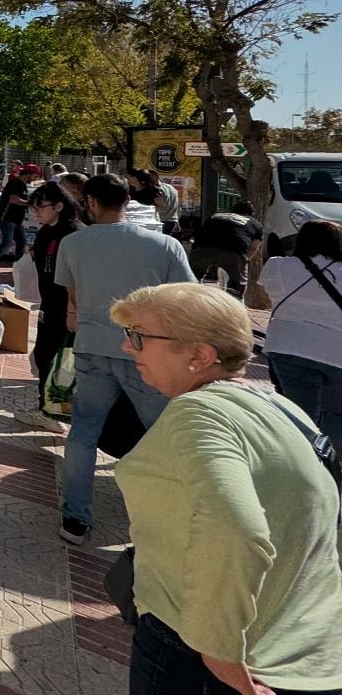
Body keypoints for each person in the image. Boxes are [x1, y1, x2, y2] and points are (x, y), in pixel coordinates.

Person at [110, 283, 342, 695]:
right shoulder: (280, 406)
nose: (129, 348)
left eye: (139, 336)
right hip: (307, 648)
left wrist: (217, 649)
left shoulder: (197, 414)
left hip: (206, 654)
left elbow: (236, 529)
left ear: (199, 355)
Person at [54, 174, 196, 545]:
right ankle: (173, 511)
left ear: (91, 202)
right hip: (147, 351)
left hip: (91, 346)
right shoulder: (164, 245)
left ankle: (75, 518)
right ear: (127, 201)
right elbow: (188, 297)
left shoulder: (72, 243)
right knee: (163, 432)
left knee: (83, 433)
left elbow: (73, 299)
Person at [261, 218, 342, 441]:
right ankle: (330, 463)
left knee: (297, 410)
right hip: (336, 351)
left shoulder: (277, 266)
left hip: (287, 345)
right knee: (335, 412)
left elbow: (268, 297)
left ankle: (298, 455)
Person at [17, 182, 82, 434]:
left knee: (62, 360)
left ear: (59, 206)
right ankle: (48, 408)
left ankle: (55, 411)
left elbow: (76, 279)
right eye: (33, 208)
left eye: (40, 207)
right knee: (45, 356)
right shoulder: (46, 232)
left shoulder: (75, 233)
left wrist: (72, 311)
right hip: (49, 305)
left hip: (67, 309)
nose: (37, 212)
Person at [189, 201, 264, 296]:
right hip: (233, 251)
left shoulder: (216, 215)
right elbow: (254, 247)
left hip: (202, 248)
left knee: (193, 278)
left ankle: (190, 299)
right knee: (237, 285)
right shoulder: (255, 224)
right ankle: (234, 303)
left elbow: (201, 232)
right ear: (252, 214)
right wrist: (245, 260)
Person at [0, 163, 38, 278]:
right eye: (35, 176)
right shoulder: (15, 183)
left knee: (21, 243)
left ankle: (19, 268)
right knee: (7, 243)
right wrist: (29, 203)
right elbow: (14, 199)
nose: (35, 179)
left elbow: (22, 200)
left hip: (16, 220)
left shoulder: (23, 185)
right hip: (7, 218)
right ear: (29, 174)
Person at [148, 170, 180, 236]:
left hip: (161, 220)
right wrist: (177, 221)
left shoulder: (157, 190)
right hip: (172, 221)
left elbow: (157, 207)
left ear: (154, 177)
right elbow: (179, 207)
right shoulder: (172, 188)